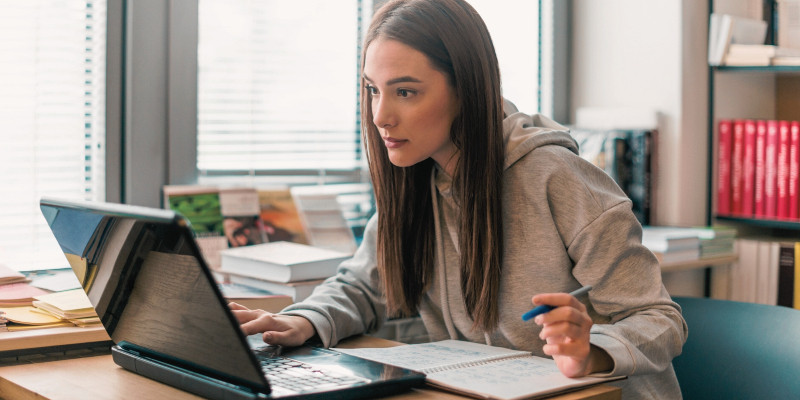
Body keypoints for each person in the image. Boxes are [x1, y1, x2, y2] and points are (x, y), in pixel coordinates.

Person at [229, 0, 687, 398]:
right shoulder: (415, 178)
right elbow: (363, 286)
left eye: (405, 92)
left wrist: (592, 353)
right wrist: (303, 321)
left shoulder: (556, 177)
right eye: (373, 89)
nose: (380, 116)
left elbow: (659, 318)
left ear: (466, 89)